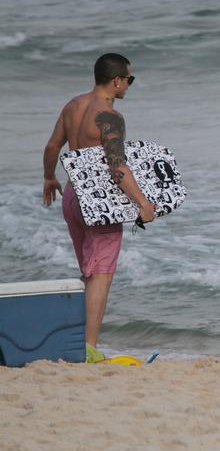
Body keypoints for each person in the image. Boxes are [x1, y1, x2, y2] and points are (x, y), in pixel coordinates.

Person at [42, 53, 156, 362]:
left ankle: (76, 343)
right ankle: (88, 349)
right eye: (128, 80)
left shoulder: (73, 106)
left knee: (89, 272)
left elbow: (53, 146)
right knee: (101, 275)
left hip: (72, 197)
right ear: (117, 80)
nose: (129, 86)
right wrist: (143, 203)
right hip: (99, 203)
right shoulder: (109, 116)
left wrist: (49, 177)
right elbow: (117, 168)